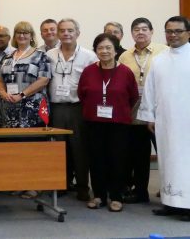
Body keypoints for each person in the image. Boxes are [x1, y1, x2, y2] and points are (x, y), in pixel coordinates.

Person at [78, 33, 138, 212]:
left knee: (117, 160)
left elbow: (133, 97)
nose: (104, 51)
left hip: (118, 123)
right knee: (96, 159)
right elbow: (82, 94)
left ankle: (116, 196)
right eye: (100, 48)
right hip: (94, 123)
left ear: (116, 50)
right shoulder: (89, 71)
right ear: (95, 50)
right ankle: (99, 196)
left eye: (108, 48)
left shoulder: (125, 72)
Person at [138, 15, 190, 221]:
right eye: (169, 31)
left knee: (186, 162)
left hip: (187, 121)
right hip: (165, 120)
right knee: (167, 160)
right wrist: (149, 116)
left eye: (178, 31)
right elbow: (150, 90)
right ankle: (171, 203)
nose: (173, 35)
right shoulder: (159, 59)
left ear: (188, 33)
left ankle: (187, 205)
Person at [45, 18, 98, 201]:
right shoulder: (49, 54)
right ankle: (62, 184)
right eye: (62, 30)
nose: (66, 34)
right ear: (58, 33)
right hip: (56, 107)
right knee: (59, 148)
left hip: (78, 107)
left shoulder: (89, 56)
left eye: (70, 30)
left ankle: (82, 186)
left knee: (79, 148)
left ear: (77, 33)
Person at [118, 17, 167, 204]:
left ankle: (170, 191)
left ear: (152, 32)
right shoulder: (125, 56)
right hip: (136, 113)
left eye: (144, 29)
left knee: (165, 154)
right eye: (136, 29)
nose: (140, 32)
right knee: (139, 156)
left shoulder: (164, 52)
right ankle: (140, 192)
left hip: (160, 112)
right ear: (131, 33)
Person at [0, 21, 51, 133]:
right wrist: (3, 93)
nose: (21, 35)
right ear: (14, 36)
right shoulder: (7, 57)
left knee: (31, 146)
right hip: (8, 110)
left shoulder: (40, 56)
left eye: (25, 32)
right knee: (9, 146)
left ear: (31, 36)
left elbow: (43, 80)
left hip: (31, 111)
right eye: (18, 32)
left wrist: (22, 95)